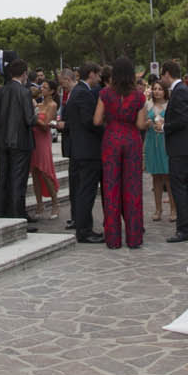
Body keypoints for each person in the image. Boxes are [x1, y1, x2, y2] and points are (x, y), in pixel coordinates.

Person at [95, 58, 148, 249]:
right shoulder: (139, 96)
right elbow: (140, 124)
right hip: (132, 139)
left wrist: (111, 121)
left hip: (111, 139)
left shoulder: (105, 94)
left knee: (111, 187)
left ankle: (113, 239)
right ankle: (134, 237)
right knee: (132, 188)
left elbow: (96, 120)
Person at [0, 59, 39, 225]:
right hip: (20, 141)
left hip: (2, 141)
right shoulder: (24, 92)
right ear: (24, 74)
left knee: (2, 178)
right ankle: (17, 216)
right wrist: (38, 114)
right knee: (18, 180)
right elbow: (29, 119)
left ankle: (0, 213)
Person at [161, 60, 188, 242]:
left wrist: (164, 127)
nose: (162, 79)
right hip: (186, 146)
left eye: (162, 75)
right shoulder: (184, 90)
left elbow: (180, 120)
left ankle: (183, 228)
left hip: (180, 147)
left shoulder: (179, 92)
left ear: (167, 73)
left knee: (179, 187)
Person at [61, 63, 104, 243]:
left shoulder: (77, 92)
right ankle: (84, 231)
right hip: (87, 150)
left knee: (83, 191)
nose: (99, 79)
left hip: (80, 149)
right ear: (91, 74)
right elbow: (89, 121)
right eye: (98, 75)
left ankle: (83, 227)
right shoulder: (83, 93)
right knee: (87, 192)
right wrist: (105, 130)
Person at [143, 78, 172, 223]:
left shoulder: (170, 105)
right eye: (155, 89)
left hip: (166, 142)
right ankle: (158, 209)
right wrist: (147, 123)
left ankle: (173, 208)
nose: (157, 92)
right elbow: (141, 123)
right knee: (156, 177)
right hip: (152, 142)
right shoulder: (148, 104)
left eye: (160, 89)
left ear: (165, 91)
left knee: (168, 177)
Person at [30, 78, 61, 217]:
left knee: (45, 171)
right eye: (41, 87)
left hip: (42, 139)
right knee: (35, 172)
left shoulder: (52, 105)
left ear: (52, 91)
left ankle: (55, 203)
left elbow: (46, 124)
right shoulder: (38, 104)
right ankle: (39, 204)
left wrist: (34, 118)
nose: (41, 89)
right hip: (33, 137)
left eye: (45, 87)